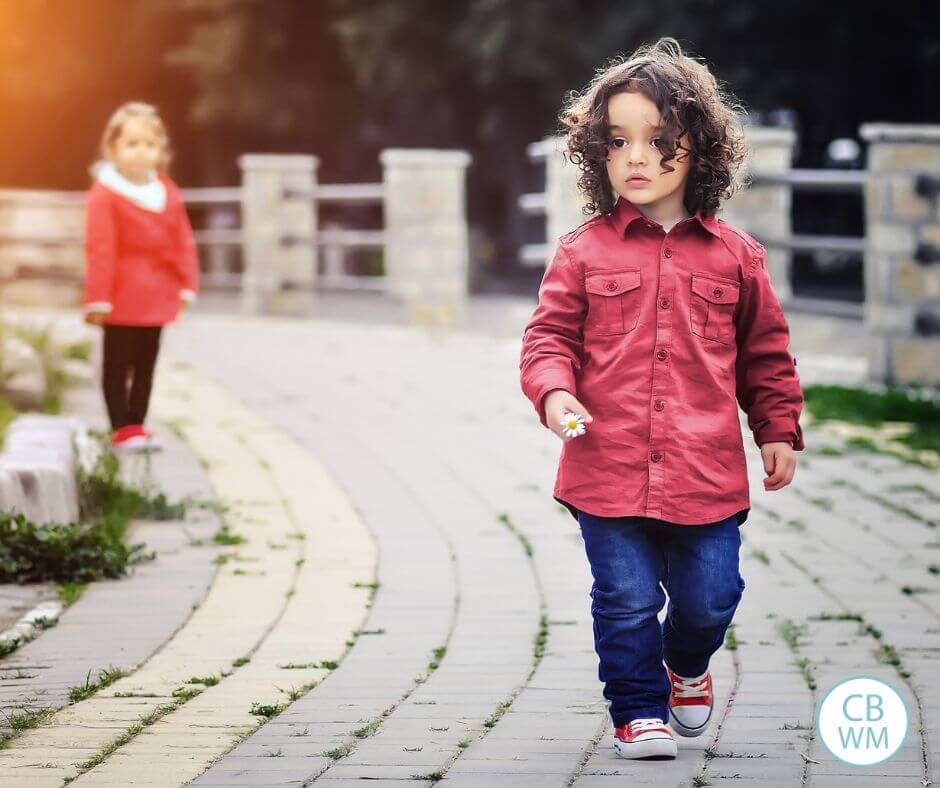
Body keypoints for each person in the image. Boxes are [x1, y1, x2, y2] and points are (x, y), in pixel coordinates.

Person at [519, 38, 804, 760]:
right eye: (618, 142)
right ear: (598, 155)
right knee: (625, 599)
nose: (637, 157)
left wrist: (777, 427)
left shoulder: (737, 258)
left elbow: (765, 353)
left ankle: (686, 666)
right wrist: (555, 395)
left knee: (711, 596)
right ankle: (637, 710)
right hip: (605, 469)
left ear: (699, 151)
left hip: (705, 472)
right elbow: (548, 339)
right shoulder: (583, 252)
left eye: (658, 140)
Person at [83, 102, 199, 451]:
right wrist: (98, 297)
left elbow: (183, 240)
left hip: (158, 294)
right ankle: (120, 426)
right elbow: (101, 249)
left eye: (149, 144)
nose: (141, 151)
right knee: (118, 363)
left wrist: (187, 282)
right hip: (120, 295)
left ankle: (137, 423)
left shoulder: (167, 191)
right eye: (131, 143)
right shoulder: (104, 195)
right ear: (112, 149)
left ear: (161, 151)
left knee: (147, 363)